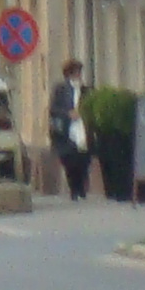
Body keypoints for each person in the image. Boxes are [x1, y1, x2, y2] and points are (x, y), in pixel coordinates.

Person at [49, 58, 91, 201]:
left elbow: (91, 106)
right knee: (69, 160)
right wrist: (68, 113)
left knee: (83, 160)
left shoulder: (86, 90)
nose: (78, 75)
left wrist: (83, 113)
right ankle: (74, 189)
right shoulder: (60, 89)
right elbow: (53, 109)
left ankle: (82, 188)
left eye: (79, 72)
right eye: (75, 72)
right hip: (66, 131)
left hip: (83, 129)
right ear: (69, 74)